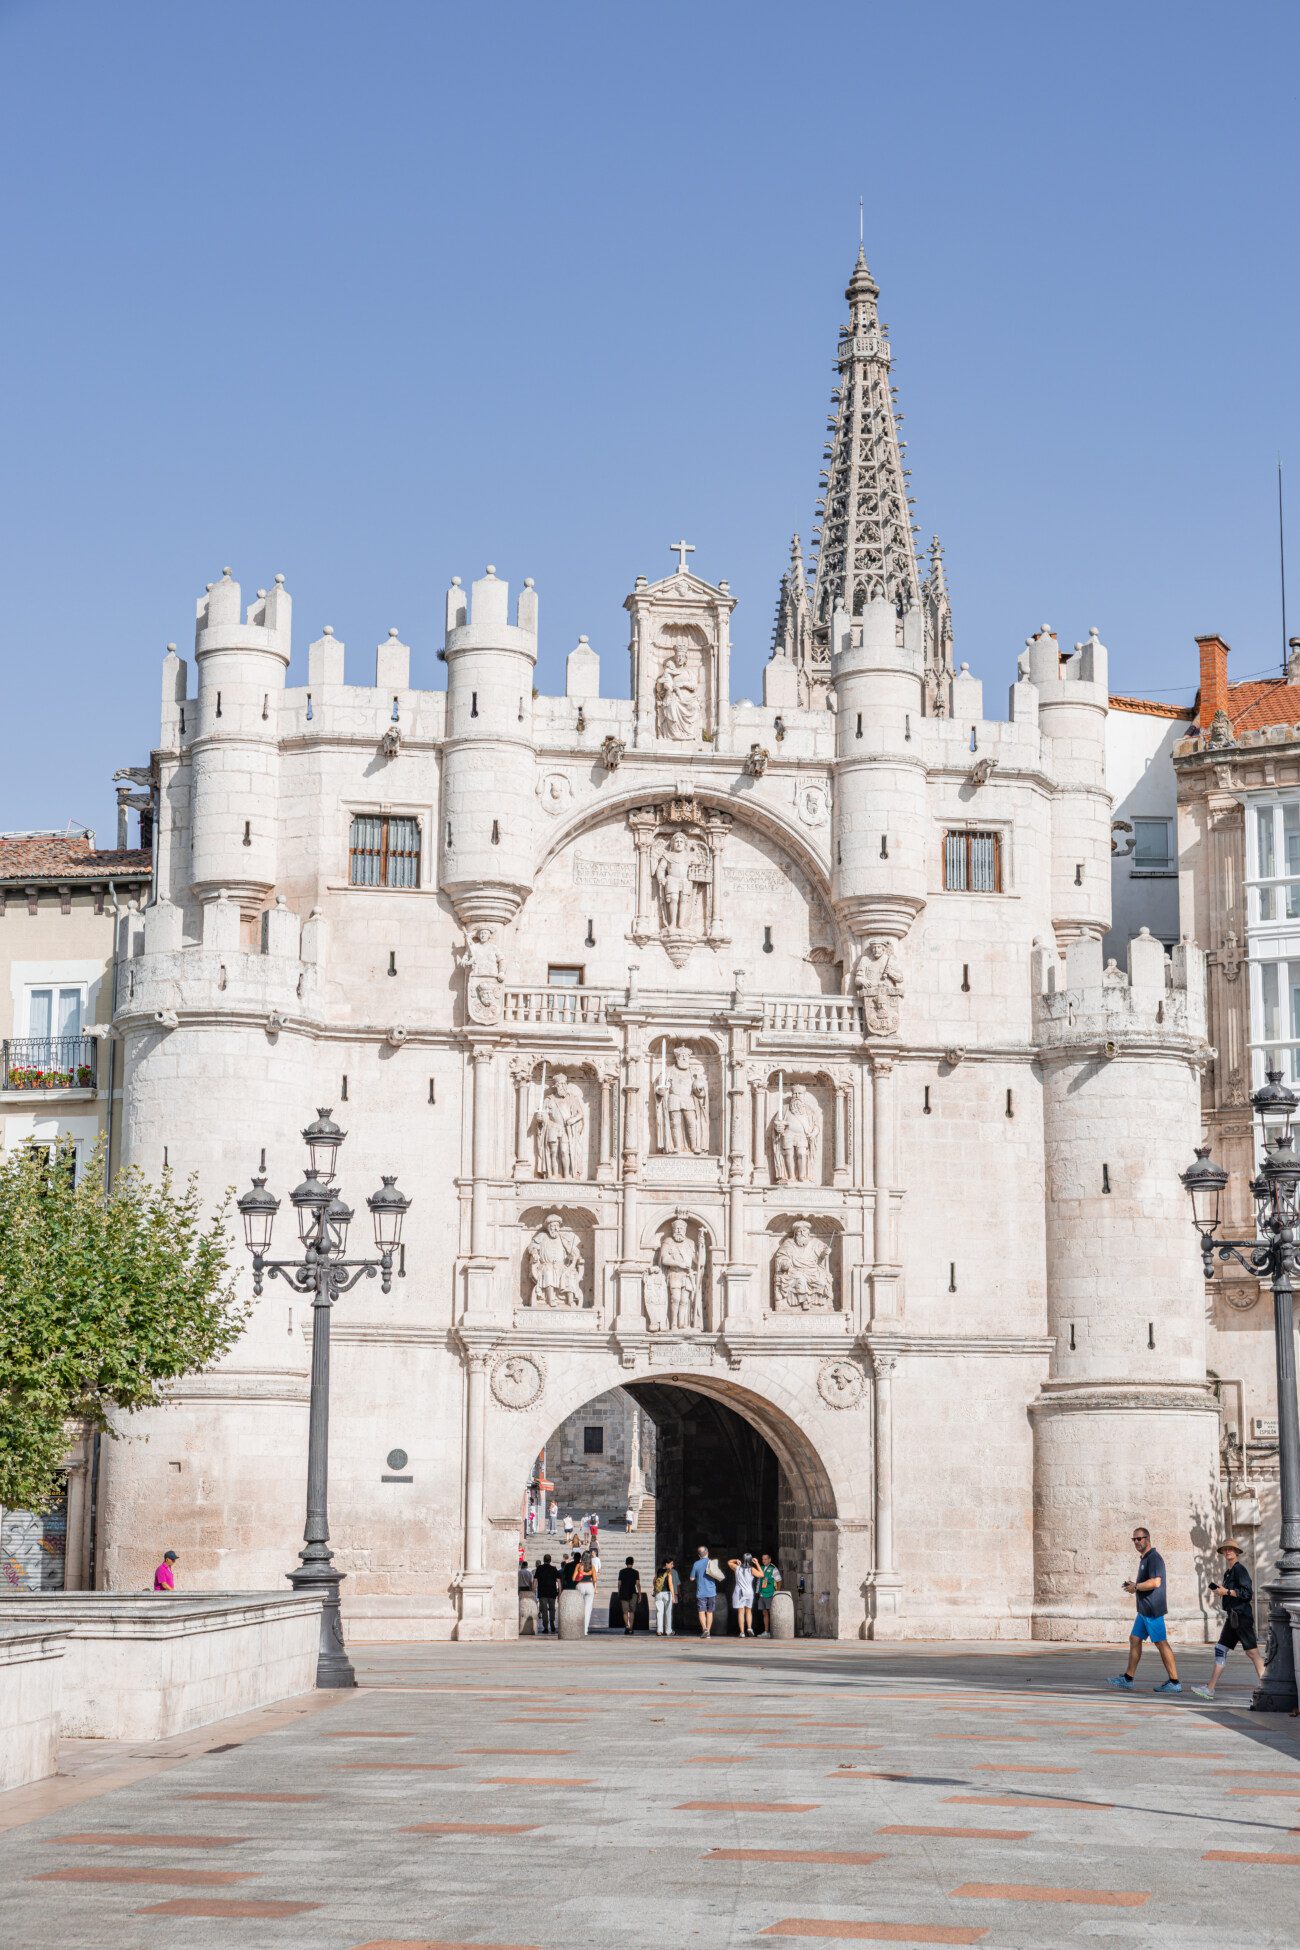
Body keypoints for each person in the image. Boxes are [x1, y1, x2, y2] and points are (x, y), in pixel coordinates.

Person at [1108, 1524, 1180, 1691]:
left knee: (1161, 1643)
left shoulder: (1154, 1557)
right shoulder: (1145, 1559)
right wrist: (1134, 1586)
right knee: (1134, 1639)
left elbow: (1156, 1582)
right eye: (1134, 1539)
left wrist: (1137, 1587)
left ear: (1147, 1539)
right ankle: (1128, 1678)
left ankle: (1175, 1682)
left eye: (1139, 1538)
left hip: (1152, 1610)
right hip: (1144, 1611)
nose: (1136, 1542)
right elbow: (1145, 1583)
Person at [1192, 1540, 1266, 1698]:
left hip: (1241, 1617)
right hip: (1232, 1617)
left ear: (1236, 1552)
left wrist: (1226, 1592)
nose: (1227, 1552)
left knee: (1252, 1653)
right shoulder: (1228, 1572)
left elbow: (1247, 1594)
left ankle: (1267, 1688)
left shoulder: (1240, 1570)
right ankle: (1210, 1689)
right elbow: (1231, 1591)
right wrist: (1222, 1591)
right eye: (1225, 1550)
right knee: (1220, 1649)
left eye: (1231, 1549)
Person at [689, 1544, 718, 1638]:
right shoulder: (712, 1562)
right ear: (707, 1553)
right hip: (711, 1591)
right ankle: (708, 1632)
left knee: (701, 1611)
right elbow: (718, 1576)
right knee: (710, 1612)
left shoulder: (696, 1564)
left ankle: (704, 1629)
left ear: (699, 1555)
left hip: (701, 1592)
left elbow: (692, 1578)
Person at [729, 1552, 756, 1637]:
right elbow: (761, 1574)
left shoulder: (737, 1568)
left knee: (741, 1612)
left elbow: (729, 1562)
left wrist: (736, 1560)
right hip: (749, 1592)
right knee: (749, 1611)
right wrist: (757, 1564)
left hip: (740, 1592)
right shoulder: (751, 1569)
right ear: (751, 1560)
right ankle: (749, 1627)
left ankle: (742, 1632)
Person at [534, 1553, 561, 1635]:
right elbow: (559, 1581)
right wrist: (559, 1591)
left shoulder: (539, 1568)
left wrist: (533, 1590)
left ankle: (545, 1627)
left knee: (544, 1610)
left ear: (543, 1560)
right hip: (552, 1592)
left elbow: (535, 1580)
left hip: (542, 1592)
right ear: (550, 1560)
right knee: (552, 1608)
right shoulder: (554, 1568)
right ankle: (552, 1624)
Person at [755, 1553, 781, 1635]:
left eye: (765, 1559)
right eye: (762, 1559)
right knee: (764, 1613)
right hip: (762, 1593)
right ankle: (766, 1631)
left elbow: (779, 1580)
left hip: (770, 1593)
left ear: (770, 1560)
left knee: (772, 1612)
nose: (764, 1561)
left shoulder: (773, 1569)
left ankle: (774, 1631)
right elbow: (758, 1580)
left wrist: (777, 1591)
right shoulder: (761, 1568)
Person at [653, 1558, 678, 1636]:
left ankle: (659, 1631)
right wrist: (673, 1597)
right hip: (667, 1594)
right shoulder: (669, 1572)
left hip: (658, 1593)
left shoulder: (658, 1570)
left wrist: (655, 1590)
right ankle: (668, 1631)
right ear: (666, 1564)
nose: (672, 1565)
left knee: (659, 1612)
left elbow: (654, 1581)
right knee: (668, 1613)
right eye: (671, 1564)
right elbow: (670, 1585)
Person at [617, 1556, 642, 1634]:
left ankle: (627, 1626)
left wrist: (619, 1592)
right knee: (631, 1611)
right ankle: (631, 1628)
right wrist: (640, 1594)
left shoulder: (621, 1571)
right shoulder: (636, 1572)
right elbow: (638, 1584)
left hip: (624, 1593)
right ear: (633, 1563)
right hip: (633, 1593)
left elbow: (619, 1583)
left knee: (625, 1612)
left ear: (626, 1563)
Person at [575, 1550, 596, 1634]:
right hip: (589, 1586)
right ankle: (585, 1630)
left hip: (580, 1585)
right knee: (587, 1610)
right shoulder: (592, 1567)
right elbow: (594, 1579)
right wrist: (595, 1588)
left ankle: (578, 1629)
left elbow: (574, 1578)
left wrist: (580, 1574)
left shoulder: (579, 1565)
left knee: (579, 1608)